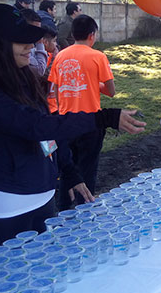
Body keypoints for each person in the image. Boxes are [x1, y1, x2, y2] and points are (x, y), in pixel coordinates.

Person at [0, 4, 145, 253]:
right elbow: (38, 127)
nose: (30, 47)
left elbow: (47, 135)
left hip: (41, 201)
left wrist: (69, 171)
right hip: (0, 210)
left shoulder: (22, 77)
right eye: (20, 41)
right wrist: (102, 118)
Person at [49, 15, 117, 210]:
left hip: (65, 122)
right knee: (87, 170)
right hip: (90, 123)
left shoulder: (60, 56)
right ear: (92, 35)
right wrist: (94, 83)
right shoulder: (98, 56)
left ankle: (63, 209)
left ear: (72, 34)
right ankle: (85, 211)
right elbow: (111, 91)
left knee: (67, 168)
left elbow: (53, 90)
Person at [20, 9, 48, 77]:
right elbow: (39, 70)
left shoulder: (31, 45)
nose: (37, 34)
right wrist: (40, 44)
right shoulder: (21, 48)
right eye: (34, 30)